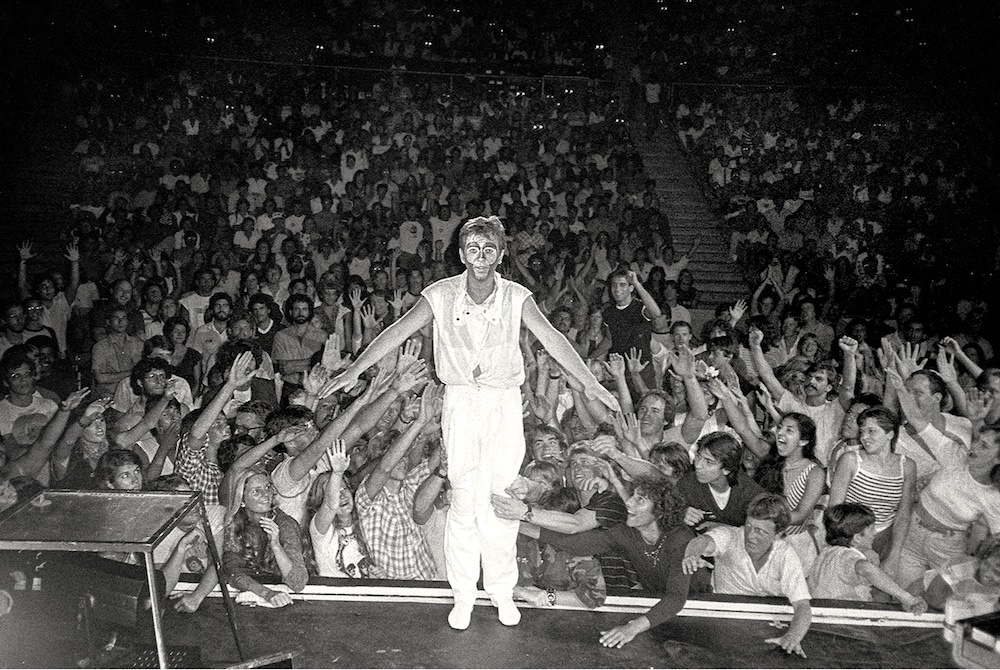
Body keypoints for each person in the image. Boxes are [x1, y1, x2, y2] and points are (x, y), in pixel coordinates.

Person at [327, 216, 619, 630]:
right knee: (464, 499)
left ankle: (501, 592)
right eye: (473, 249)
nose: (480, 257)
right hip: (461, 402)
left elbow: (553, 338)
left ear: (500, 255)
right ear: (462, 253)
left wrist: (590, 384)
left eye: (489, 250)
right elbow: (395, 331)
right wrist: (354, 370)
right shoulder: (440, 294)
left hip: (502, 404)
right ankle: (463, 594)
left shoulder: (518, 296)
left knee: (500, 501)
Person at [682, 494, 812, 658]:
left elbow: (802, 606)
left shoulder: (786, 555)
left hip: (768, 626)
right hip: (723, 619)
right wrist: (692, 555)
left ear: (778, 534)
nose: (750, 536)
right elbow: (702, 542)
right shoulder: (730, 536)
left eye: (760, 531)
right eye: (749, 526)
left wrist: (792, 637)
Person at [809, 503, 927, 613]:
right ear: (857, 538)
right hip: (843, 621)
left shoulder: (826, 553)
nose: (874, 533)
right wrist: (906, 598)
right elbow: (865, 568)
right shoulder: (845, 555)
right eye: (871, 530)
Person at [223, 467, 308, 608]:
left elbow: (298, 583)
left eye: (267, 487)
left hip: (288, 600)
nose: (266, 495)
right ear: (242, 500)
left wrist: (276, 546)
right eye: (256, 491)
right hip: (258, 595)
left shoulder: (285, 524)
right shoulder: (234, 524)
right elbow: (232, 572)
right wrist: (267, 593)